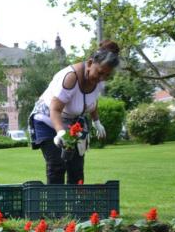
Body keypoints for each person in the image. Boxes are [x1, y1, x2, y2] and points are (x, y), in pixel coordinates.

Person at [28, 41, 119, 184]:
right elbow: (55, 109)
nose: (102, 78)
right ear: (89, 63)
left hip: (73, 123)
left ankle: (76, 204)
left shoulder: (98, 81)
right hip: (48, 119)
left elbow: (92, 102)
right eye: (100, 73)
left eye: (107, 75)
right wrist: (59, 132)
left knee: (76, 169)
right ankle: (55, 205)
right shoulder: (71, 77)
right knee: (57, 164)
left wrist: (97, 121)